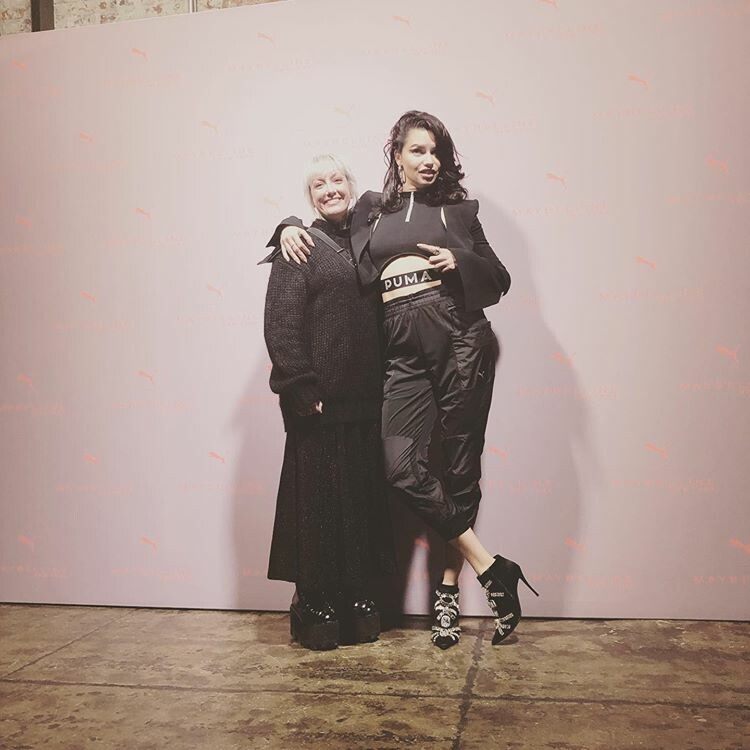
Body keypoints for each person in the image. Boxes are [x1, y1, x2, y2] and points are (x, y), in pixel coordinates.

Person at [271, 111, 538, 649]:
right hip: (400, 349)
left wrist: (459, 260)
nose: (428, 160)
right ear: (398, 155)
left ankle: (448, 592)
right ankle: (493, 567)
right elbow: (330, 219)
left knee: (459, 467)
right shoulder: (373, 208)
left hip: (458, 336)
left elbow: (500, 278)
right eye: (417, 149)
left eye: (436, 151)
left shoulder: (462, 212)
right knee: (399, 467)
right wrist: (286, 226)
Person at [261, 154, 395, 651]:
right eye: (318, 184)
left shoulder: (369, 242)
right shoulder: (299, 246)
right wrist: (300, 387)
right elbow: (280, 322)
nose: (329, 189)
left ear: (351, 188)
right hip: (317, 404)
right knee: (315, 504)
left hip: (365, 400)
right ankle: (312, 599)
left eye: (337, 179)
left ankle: (354, 593)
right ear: (310, 197)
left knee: (357, 503)